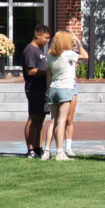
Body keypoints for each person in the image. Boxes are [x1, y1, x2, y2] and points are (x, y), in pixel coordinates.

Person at [39, 28, 86, 160]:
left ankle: (46, 151)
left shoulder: (50, 56)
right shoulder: (68, 54)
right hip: (65, 88)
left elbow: (49, 76)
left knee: (53, 120)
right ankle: (60, 152)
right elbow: (85, 56)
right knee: (62, 121)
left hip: (53, 88)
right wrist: (78, 42)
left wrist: (49, 89)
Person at [21, 24, 51, 158]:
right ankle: (30, 149)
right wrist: (47, 73)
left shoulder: (39, 50)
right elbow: (30, 70)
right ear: (37, 34)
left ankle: (38, 148)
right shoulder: (30, 50)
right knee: (33, 118)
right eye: (46, 37)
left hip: (42, 88)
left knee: (40, 119)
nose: (47, 41)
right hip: (34, 88)